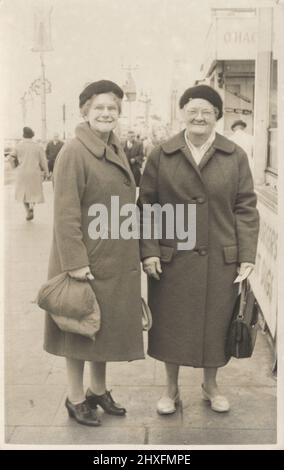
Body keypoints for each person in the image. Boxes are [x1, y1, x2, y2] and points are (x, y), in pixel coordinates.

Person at [138, 85, 259, 415]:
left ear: (218, 116)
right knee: (171, 325)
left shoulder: (235, 155)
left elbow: (246, 207)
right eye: (193, 110)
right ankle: (171, 390)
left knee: (216, 324)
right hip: (171, 258)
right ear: (183, 114)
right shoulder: (161, 154)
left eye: (207, 111)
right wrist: (148, 251)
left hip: (221, 258)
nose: (199, 117)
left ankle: (210, 385)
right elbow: (147, 205)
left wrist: (247, 255)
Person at [44, 80, 144, 426]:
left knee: (103, 327)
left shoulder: (112, 146)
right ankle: (75, 397)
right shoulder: (74, 151)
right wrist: (74, 263)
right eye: (99, 107)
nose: (106, 113)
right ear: (84, 110)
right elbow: (65, 213)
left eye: (112, 108)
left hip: (112, 256)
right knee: (78, 326)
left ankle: (98, 390)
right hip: (85, 260)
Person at [9, 127, 48, 221]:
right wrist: (46, 172)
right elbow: (43, 161)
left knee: (24, 193)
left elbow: (10, 158)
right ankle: (31, 207)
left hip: (22, 173)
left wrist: (14, 167)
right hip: (34, 173)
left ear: (23, 135)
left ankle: (28, 211)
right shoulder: (38, 146)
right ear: (32, 136)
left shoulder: (18, 146)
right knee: (34, 193)